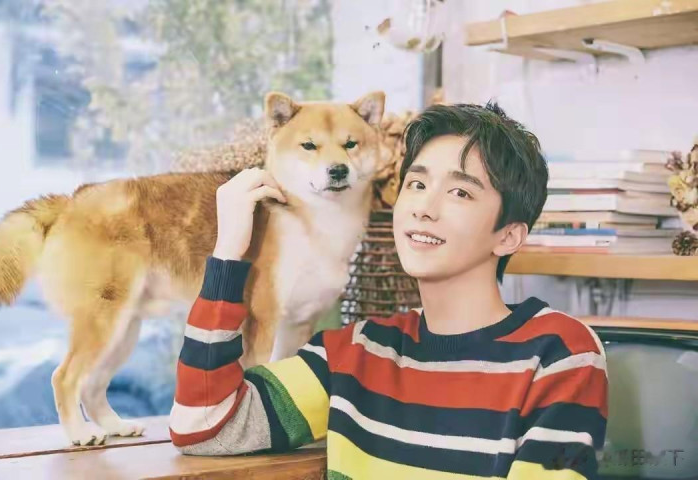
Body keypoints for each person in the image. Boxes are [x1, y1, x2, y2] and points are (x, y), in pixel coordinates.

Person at [168, 102, 608, 480]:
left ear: (508, 236)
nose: (423, 208)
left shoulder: (559, 354)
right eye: (416, 184)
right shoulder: (355, 353)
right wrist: (229, 254)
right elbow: (205, 425)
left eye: (459, 192)